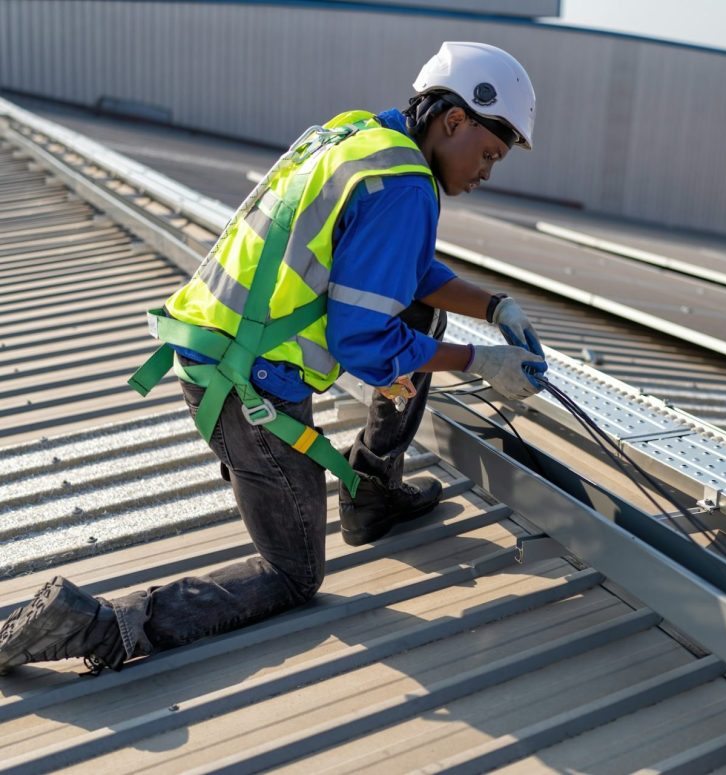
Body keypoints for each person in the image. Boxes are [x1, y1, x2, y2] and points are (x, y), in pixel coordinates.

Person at [0, 42, 547, 676]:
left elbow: (399, 271)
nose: (486, 172)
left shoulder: (362, 138)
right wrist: (479, 362)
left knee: (422, 314)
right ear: (455, 121)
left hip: (216, 355)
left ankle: (372, 491)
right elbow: (362, 343)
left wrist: (495, 305)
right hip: (248, 393)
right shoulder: (406, 189)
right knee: (293, 574)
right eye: (488, 154)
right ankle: (98, 625)